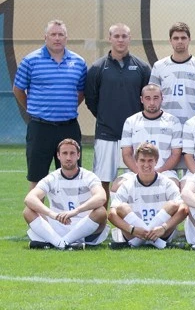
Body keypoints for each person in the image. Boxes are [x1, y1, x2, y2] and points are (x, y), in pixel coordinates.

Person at [13, 20, 87, 191]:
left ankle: (70, 217)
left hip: (69, 127)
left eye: (61, 34)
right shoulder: (30, 61)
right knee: (37, 179)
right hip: (40, 127)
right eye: (53, 34)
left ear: (66, 38)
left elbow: (81, 91)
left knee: (71, 176)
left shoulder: (78, 62)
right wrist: (32, 110)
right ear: (45, 37)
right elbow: (18, 89)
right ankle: (36, 217)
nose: (57, 38)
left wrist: (66, 107)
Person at [85, 23, 151, 202]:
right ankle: (102, 223)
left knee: (136, 179)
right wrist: (105, 117)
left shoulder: (142, 67)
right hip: (107, 134)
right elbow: (91, 100)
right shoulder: (97, 68)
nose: (120, 40)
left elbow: (147, 98)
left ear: (130, 39)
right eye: (116, 36)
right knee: (102, 182)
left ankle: (131, 221)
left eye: (124, 36)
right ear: (110, 39)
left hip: (134, 135)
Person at [23, 139, 108, 250]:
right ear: (58, 155)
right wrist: (52, 214)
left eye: (72, 153)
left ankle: (58, 243)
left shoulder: (88, 176)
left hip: (84, 224)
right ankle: (63, 243)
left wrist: (75, 211)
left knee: (101, 212)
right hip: (57, 223)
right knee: (28, 211)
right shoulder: (52, 178)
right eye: (64, 153)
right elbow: (29, 198)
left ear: (78, 155)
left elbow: (101, 197)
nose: (68, 158)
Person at [108, 143, 188, 249]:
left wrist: (163, 228)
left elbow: (184, 209)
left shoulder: (167, 183)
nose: (146, 164)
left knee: (172, 205)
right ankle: (162, 245)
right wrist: (132, 229)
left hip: (161, 233)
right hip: (134, 233)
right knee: (122, 207)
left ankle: (133, 244)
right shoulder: (127, 184)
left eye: (150, 160)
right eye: (142, 160)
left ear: (156, 161)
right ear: (136, 161)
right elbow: (111, 215)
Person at [118, 84, 183, 187]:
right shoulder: (131, 121)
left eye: (156, 98)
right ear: (142, 99)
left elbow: (176, 154)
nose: (152, 102)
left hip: (165, 172)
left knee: (173, 185)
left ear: (162, 98)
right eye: (148, 98)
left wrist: (158, 173)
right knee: (116, 186)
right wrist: (140, 173)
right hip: (136, 172)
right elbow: (126, 154)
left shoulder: (173, 121)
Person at [149, 22, 195, 125]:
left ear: (189, 39)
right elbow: (153, 97)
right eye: (176, 38)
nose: (180, 41)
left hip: (193, 124)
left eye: (183, 38)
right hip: (166, 124)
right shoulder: (158, 66)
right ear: (170, 41)